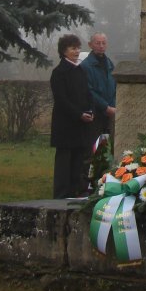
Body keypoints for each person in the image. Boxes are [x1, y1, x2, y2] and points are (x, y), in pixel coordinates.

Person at [50, 33, 94, 198]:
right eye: (73, 48)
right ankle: (61, 195)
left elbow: (87, 93)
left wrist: (90, 111)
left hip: (81, 125)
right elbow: (62, 100)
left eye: (78, 48)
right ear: (64, 51)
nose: (77, 52)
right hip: (65, 125)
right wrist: (78, 114)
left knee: (78, 161)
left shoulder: (80, 70)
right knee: (64, 162)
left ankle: (75, 192)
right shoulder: (59, 72)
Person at [81, 32, 117, 145]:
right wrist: (105, 107)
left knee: (107, 147)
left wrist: (113, 106)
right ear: (90, 45)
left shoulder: (110, 64)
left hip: (110, 113)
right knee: (94, 148)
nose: (101, 46)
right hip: (95, 114)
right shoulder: (85, 66)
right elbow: (88, 90)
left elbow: (114, 87)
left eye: (103, 43)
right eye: (98, 43)